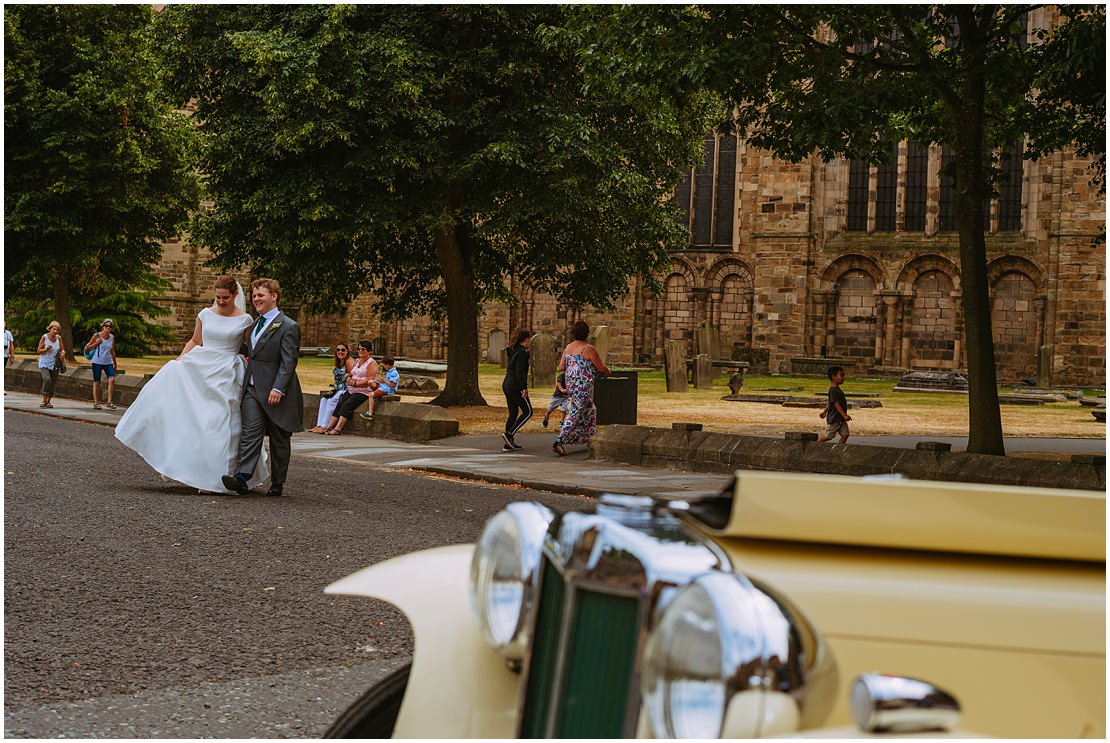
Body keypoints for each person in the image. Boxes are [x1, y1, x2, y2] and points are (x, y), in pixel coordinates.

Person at [116, 277, 271, 493]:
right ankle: (195, 471)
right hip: (201, 365)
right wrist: (180, 360)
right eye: (217, 297)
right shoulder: (205, 314)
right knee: (195, 419)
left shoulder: (245, 319)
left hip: (226, 372)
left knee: (221, 422)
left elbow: (251, 346)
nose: (221, 301)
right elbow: (195, 340)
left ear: (235, 295)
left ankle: (218, 477)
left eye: (225, 298)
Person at [221, 278, 304, 497]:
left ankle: (278, 483)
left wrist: (279, 388)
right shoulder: (253, 325)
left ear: (274, 296)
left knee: (279, 438)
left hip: (276, 390)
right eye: (254, 295)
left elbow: (289, 362)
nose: (256, 299)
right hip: (252, 388)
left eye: (261, 295)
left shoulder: (289, 326)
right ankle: (241, 478)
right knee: (250, 433)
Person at [553, 320, 610, 456]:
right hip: (582, 386)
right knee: (575, 413)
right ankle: (558, 442)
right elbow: (600, 367)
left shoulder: (568, 348)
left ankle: (588, 438)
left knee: (591, 410)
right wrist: (608, 371)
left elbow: (561, 367)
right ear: (587, 334)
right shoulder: (588, 349)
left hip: (571, 384)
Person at [319, 341, 378, 435]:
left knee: (347, 405)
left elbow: (369, 380)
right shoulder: (358, 361)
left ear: (369, 351)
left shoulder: (372, 363)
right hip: (352, 390)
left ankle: (338, 429)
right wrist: (348, 376)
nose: (360, 351)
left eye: (363, 349)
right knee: (340, 404)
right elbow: (353, 373)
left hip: (364, 392)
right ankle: (328, 427)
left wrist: (355, 383)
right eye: (359, 349)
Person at [309, 343, 355, 433]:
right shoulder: (338, 362)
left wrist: (348, 375)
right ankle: (319, 425)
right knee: (323, 400)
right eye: (338, 350)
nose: (340, 352)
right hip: (337, 388)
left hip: (346, 388)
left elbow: (354, 375)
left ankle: (325, 426)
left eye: (343, 350)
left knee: (332, 401)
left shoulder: (349, 361)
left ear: (347, 351)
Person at [500, 329, 532, 451]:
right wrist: (524, 388)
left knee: (513, 413)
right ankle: (509, 434)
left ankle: (509, 443)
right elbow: (520, 372)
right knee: (528, 411)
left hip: (507, 383)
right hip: (515, 385)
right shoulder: (522, 352)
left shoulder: (514, 350)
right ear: (527, 339)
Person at [85, 319, 118, 409]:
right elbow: (88, 348)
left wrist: (115, 362)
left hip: (108, 362)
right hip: (97, 361)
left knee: (111, 379)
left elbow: (112, 350)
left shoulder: (112, 337)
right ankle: (96, 403)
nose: (108, 328)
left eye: (110, 326)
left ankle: (109, 402)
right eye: (106, 326)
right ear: (102, 326)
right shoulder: (97, 335)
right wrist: (97, 343)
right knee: (97, 382)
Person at [817, 365, 851, 445]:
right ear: (834, 377)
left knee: (845, 435)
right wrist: (844, 415)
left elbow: (830, 402)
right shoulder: (833, 390)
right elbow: (836, 404)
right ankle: (815, 445)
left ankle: (838, 449)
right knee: (829, 436)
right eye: (841, 375)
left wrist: (824, 411)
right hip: (835, 418)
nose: (843, 377)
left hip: (840, 419)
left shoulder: (837, 389)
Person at [36, 320, 66, 408]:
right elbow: (39, 351)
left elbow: (62, 349)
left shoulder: (59, 338)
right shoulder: (44, 337)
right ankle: (43, 399)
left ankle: (48, 401)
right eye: (54, 329)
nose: (55, 331)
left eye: (57, 330)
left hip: (55, 363)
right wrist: (46, 349)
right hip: (45, 363)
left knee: (53, 382)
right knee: (47, 379)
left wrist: (63, 353)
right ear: (50, 328)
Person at [363, 355, 399, 420]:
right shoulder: (389, 371)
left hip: (387, 390)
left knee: (371, 395)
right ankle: (376, 393)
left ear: (387, 365)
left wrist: (384, 380)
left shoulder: (394, 373)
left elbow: (392, 385)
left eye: (384, 366)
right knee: (370, 382)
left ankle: (370, 413)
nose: (384, 367)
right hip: (383, 387)